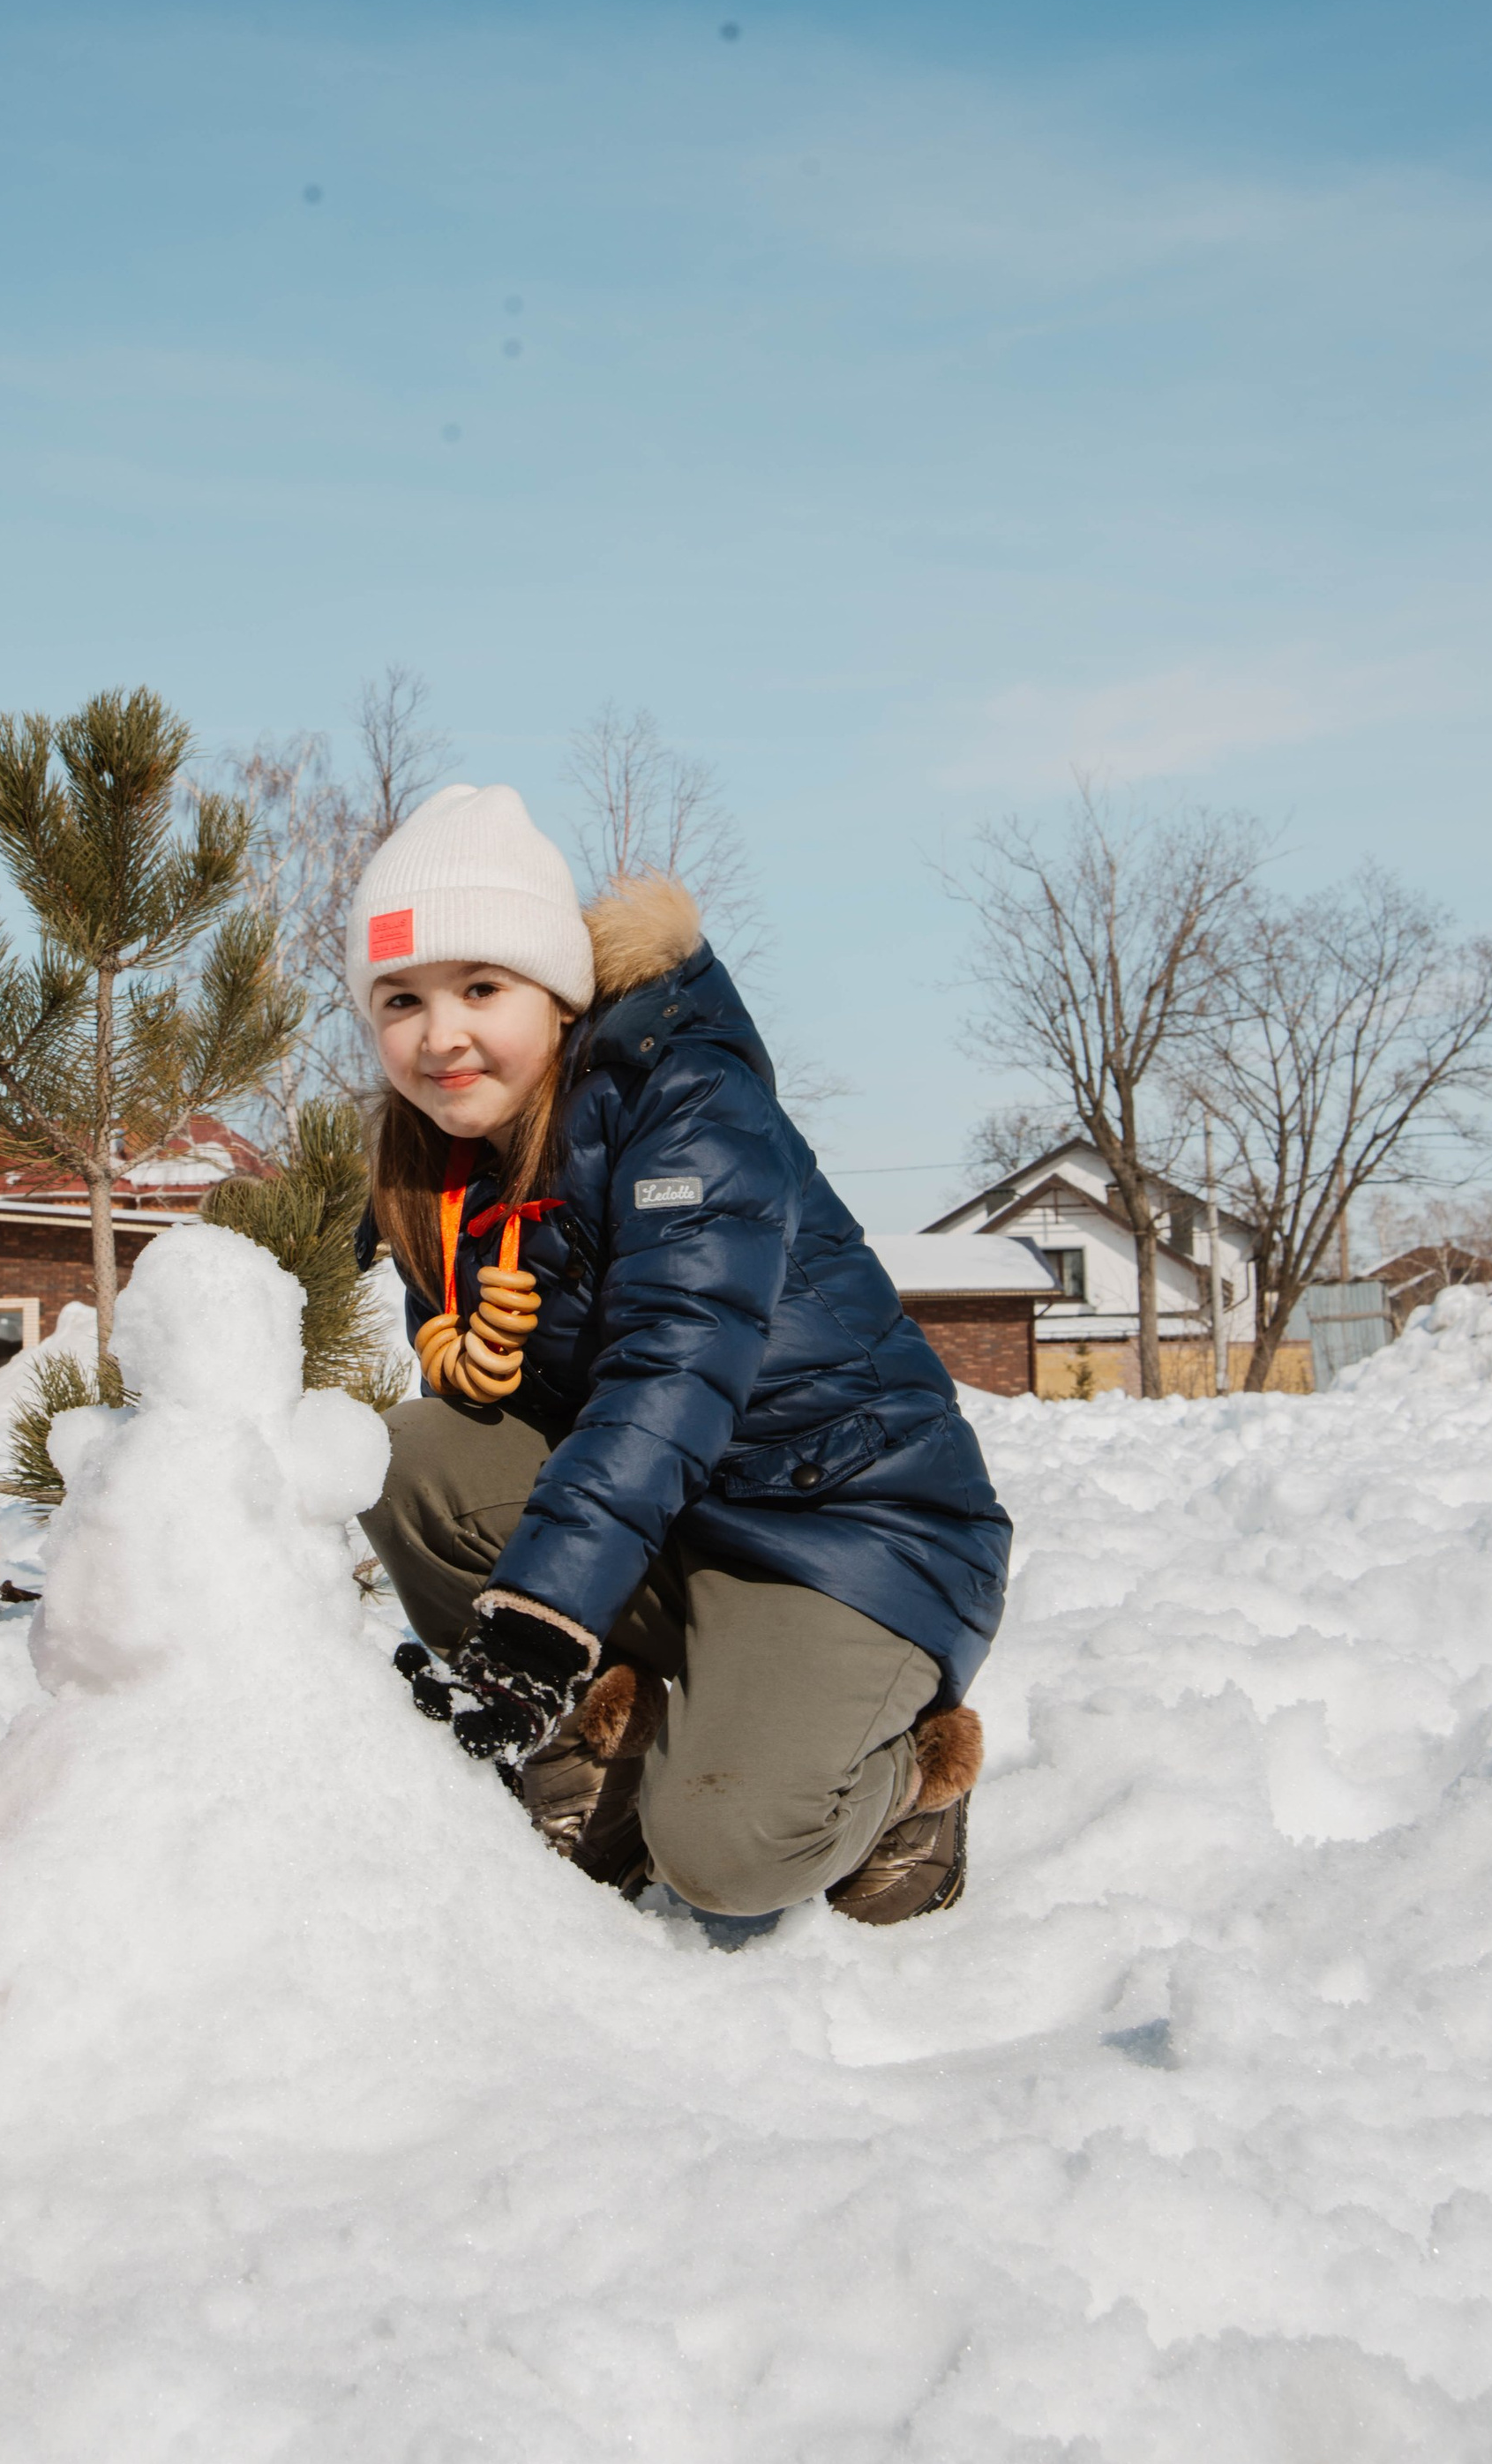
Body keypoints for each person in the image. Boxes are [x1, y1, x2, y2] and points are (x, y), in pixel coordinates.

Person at [355, 784, 1011, 1942]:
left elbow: (675, 1371)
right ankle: (608, 1747)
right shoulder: (440, 1162)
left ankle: (912, 1784)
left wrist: (537, 1622)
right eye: (400, 999)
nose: (439, 1034)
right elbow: (482, 1430)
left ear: (558, 995)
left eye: (482, 988)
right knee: (409, 1457)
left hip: (848, 1533)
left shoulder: (687, 1100)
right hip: (675, 1527)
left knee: (728, 1852)